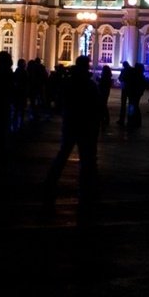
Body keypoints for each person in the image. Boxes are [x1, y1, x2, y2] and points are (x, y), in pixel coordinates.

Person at [42, 56, 99, 205]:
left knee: (63, 154)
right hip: (85, 125)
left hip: (71, 123)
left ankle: (51, 180)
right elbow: (96, 107)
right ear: (86, 67)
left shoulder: (69, 82)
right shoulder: (90, 85)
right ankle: (87, 186)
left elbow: (61, 101)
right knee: (87, 158)